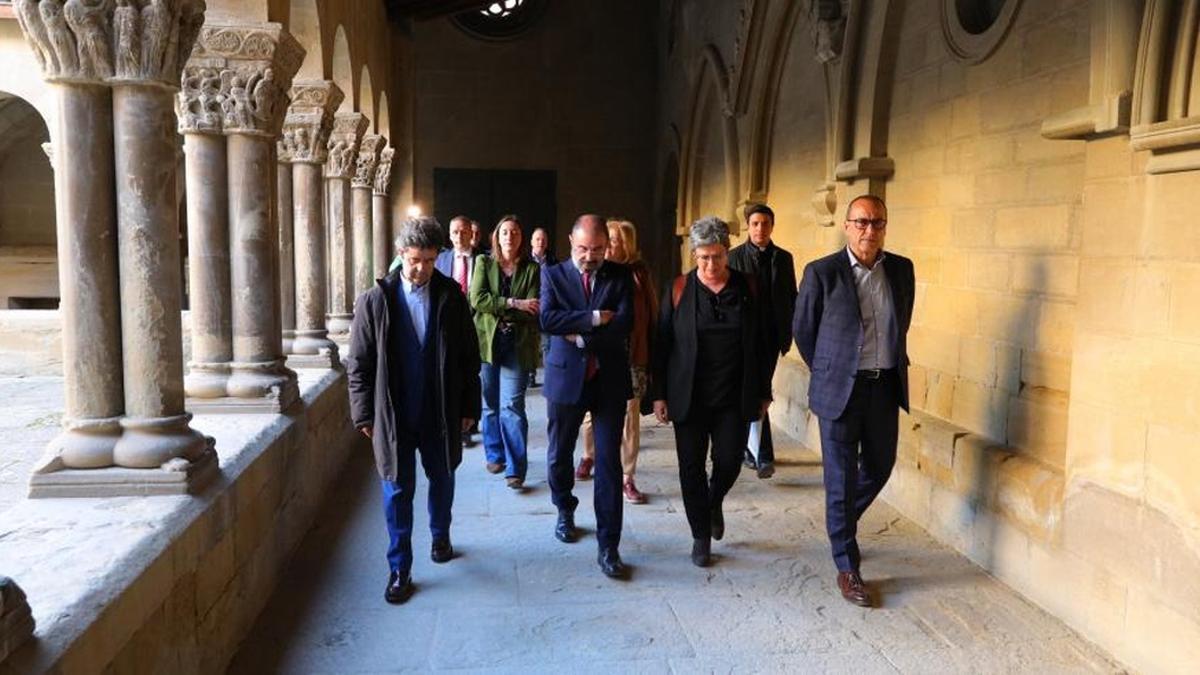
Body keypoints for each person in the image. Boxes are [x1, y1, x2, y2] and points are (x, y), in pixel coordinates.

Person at [346, 215, 482, 605]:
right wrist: (363, 414)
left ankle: (440, 534)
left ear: (437, 256)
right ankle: (399, 567)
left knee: (442, 476)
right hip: (393, 414)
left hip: (439, 411)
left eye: (427, 260)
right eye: (413, 259)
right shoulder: (375, 302)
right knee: (397, 488)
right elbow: (360, 363)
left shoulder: (451, 297)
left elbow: (468, 359)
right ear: (400, 254)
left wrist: (469, 407)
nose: (419, 268)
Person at [793, 194, 914, 608]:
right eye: (861, 222)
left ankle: (838, 522)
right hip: (840, 390)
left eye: (877, 223)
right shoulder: (821, 273)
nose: (869, 230)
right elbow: (804, 332)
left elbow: (903, 321)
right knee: (840, 478)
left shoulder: (901, 270)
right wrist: (831, 371)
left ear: (885, 227)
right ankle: (847, 565)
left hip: (883, 387)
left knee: (880, 466)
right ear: (847, 226)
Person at [651, 216, 771, 567]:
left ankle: (713, 500)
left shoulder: (748, 287)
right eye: (703, 257)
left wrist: (764, 391)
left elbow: (762, 343)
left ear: (727, 251)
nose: (711, 265)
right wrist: (659, 394)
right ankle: (700, 536)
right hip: (688, 395)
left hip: (734, 394)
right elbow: (662, 344)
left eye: (717, 256)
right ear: (694, 255)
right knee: (690, 467)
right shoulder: (677, 289)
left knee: (730, 460)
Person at [540, 214, 633, 579]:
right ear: (570, 242)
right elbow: (548, 320)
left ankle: (609, 545)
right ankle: (564, 507)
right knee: (559, 453)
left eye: (596, 249)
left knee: (608, 463)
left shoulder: (620, 275)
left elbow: (624, 323)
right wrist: (595, 319)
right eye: (582, 249)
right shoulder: (553, 274)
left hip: (608, 380)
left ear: (607, 246)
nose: (589, 256)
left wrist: (578, 334)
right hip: (565, 381)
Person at [577, 218, 657, 505]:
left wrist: (650, 358)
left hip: (631, 354)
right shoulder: (592, 272)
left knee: (630, 417)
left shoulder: (638, 274)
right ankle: (589, 454)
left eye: (618, 241)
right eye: (608, 240)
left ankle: (627, 477)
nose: (612, 246)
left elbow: (651, 314)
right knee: (590, 410)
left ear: (628, 245)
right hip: (596, 352)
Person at [469, 215, 540, 489]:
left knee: (512, 405)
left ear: (521, 238)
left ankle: (516, 468)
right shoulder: (484, 263)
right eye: (505, 232)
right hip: (488, 342)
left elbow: (532, 308)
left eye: (515, 232)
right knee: (489, 404)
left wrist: (508, 307)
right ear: (496, 237)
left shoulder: (531, 269)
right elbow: (477, 299)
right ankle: (495, 454)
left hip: (517, 343)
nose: (510, 236)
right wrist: (514, 303)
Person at [727, 203, 797, 479]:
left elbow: (791, 296)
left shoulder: (784, 258)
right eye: (755, 224)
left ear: (772, 226)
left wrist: (788, 333)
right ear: (748, 226)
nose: (760, 229)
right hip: (742, 338)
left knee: (759, 390)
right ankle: (763, 454)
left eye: (765, 224)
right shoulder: (733, 258)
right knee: (757, 391)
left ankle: (749, 449)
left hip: (770, 337)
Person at [436, 215, 481, 448]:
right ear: (450, 235)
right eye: (455, 232)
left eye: (464, 231)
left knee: (473, 371)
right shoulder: (441, 260)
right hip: (449, 325)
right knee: (455, 372)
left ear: (471, 234)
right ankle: (460, 426)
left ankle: (471, 421)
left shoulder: (484, 260)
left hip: (476, 322)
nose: (459, 236)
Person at [528, 227, 557, 388]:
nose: (540, 242)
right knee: (531, 343)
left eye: (543, 239)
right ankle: (530, 376)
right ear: (532, 242)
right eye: (537, 239)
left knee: (547, 344)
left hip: (547, 308)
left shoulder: (553, 262)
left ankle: (549, 377)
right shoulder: (524, 261)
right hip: (530, 306)